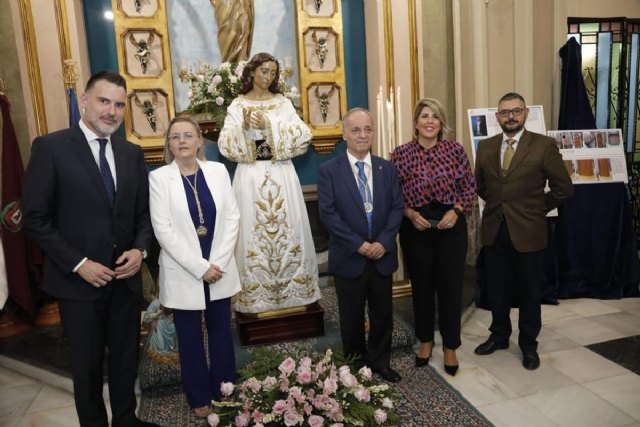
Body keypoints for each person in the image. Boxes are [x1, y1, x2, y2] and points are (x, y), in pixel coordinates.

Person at [22, 70, 158, 427]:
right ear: (84, 100)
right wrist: (79, 263)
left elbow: (144, 216)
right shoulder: (50, 148)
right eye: (103, 101)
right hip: (77, 285)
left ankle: (126, 421)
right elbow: (35, 219)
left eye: (118, 104)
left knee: (126, 359)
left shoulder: (131, 153)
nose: (111, 111)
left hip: (125, 282)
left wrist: (140, 250)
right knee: (86, 367)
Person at [149, 116, 240, 418]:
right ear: (169, 144)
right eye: (176, 137)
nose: (182, 141)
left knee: (221, 333)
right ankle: (198, 395)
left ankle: (225, 389)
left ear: (200, 141)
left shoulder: (218, 171)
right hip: (184, 269)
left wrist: (219, 263)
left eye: (188, 135)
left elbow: (232, 219)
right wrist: (200, 267)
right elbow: (164, 232)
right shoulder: (159, 178)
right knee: (189, 338)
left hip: (220, 267)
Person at [474, 92, 574, 370]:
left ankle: (529, 345)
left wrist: (536, 209)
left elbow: (563, 189)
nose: (510, 117)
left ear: (526, 113)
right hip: (495, 229)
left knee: (530, 292)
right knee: (497, 289)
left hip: (529, 231)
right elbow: (480, 185)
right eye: (505, 112)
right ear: (497, 117)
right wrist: (498, 205)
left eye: (516, 111)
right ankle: (499, 336)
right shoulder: (486, 147)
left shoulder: (543, 146)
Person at [218, 52, 321, 313]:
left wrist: (270, 123)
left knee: (289, 229)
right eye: (264, 71)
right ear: (252, 72)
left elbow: (303, 136)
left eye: (273, 73)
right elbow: (225, 145)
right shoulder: (237, 106)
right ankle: (255, 299)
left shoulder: (282, 104)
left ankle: (295, 296)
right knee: (251, 232)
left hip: (281, 173)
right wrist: (243, 127)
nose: (268, 77)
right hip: (250, 176)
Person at [318, 108, 405, 383]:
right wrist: (358, 244)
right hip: (349, 257)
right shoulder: (329, 171)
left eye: (367, 129)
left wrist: (383, 241)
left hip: (381, 256)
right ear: (344, 134)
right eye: (356, 130)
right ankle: (356, 367)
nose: (362, 135)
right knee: (351, 317)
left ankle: (380, 362)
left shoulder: (387, 168)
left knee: (382, 315)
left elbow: (397, 207)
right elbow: (328, 214)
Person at [390, 98, 476, 376]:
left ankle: (450, 345)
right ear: (415, 122)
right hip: (416, 228)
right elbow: (393, 195)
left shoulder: (455, 151)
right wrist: (410, 214)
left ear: (441, 123)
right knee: (422, 288)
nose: (429, 121)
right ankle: (426, 341)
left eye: (435, 116)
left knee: (451, 288)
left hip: (451, 227)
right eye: (424, 116)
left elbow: (469, 187)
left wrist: (457, 211)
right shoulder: (400, 154)